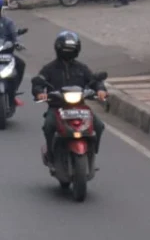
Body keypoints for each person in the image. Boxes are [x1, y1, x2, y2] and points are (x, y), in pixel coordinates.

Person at [32, 31, 107, 159]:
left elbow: (94, 81)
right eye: (66, 49)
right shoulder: (49, 68)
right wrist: (40, 93)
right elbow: (38, 82)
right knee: (48, 126)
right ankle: (51, 153)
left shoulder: (82, 68)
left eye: (71, 49)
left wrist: (100, 89)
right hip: (57, 107)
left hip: (80, 107)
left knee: (99, 125)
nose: (68, 52)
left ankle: (91, 152)